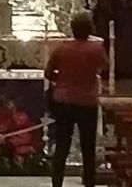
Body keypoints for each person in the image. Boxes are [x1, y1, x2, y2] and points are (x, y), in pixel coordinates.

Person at [45, 12, 108, 187]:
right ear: (90, 29)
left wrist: (62, 80)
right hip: (87, 101)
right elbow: (105, 67)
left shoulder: (62, 49)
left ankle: (57, 183)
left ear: (72, 30)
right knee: (88, 147)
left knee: (62, 145)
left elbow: (48, 73)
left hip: (64, 100)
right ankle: (89, 183)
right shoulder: (96, 49)